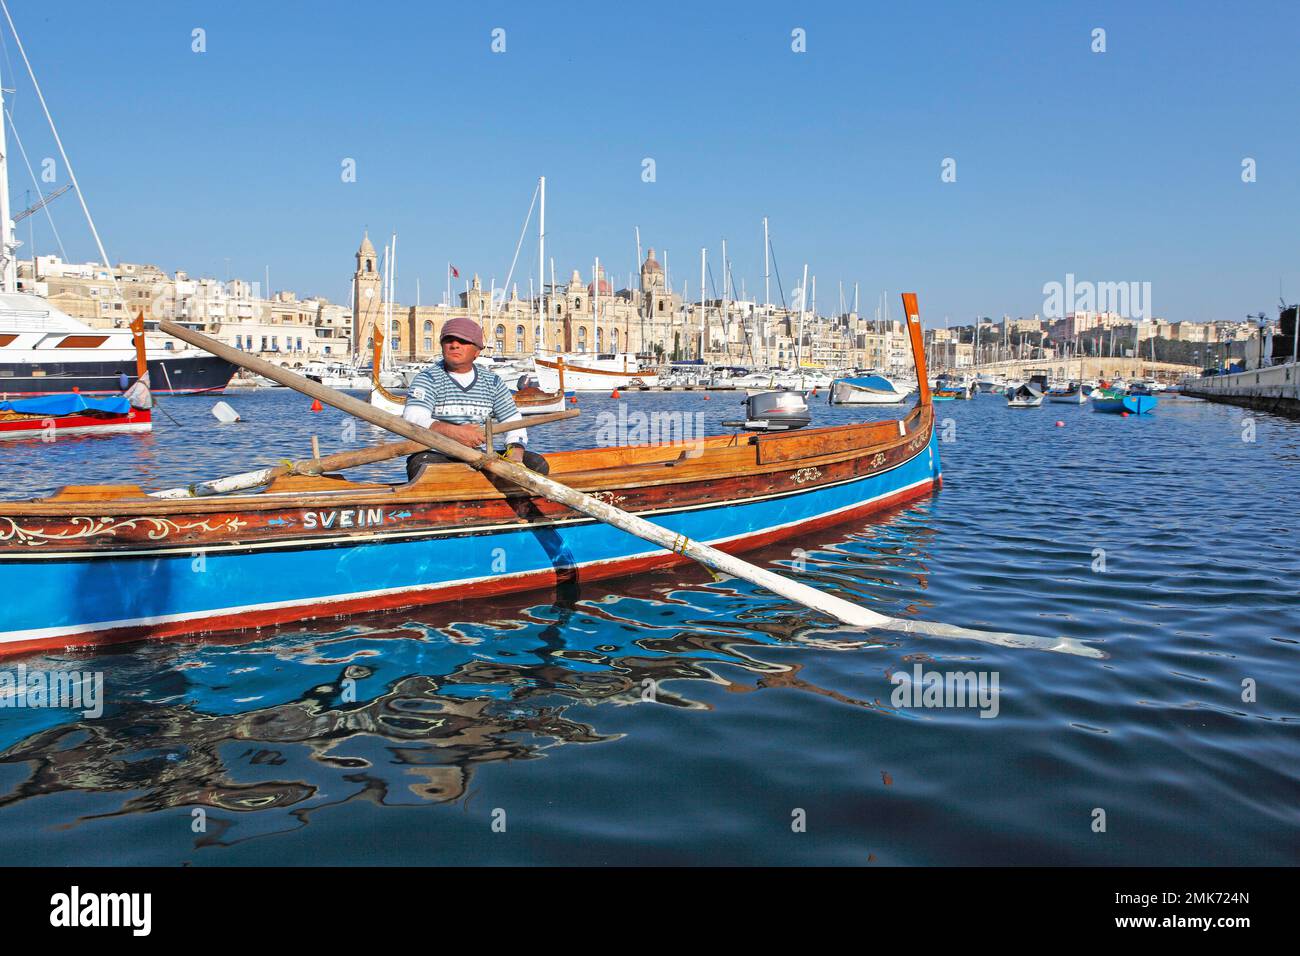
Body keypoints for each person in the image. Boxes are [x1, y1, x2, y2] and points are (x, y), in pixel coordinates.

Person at [402, 317, 549, 480]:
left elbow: (513, 423)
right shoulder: (428, 378)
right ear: (442, 345)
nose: (455, 345)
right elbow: (413, 419)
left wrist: (515, 457)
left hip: (479, 457)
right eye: (449, 340)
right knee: (423, 468)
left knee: (537, 463)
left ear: (477, 351)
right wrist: (455, 433)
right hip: (436, 454)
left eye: (463, 341)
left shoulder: (492, 382)